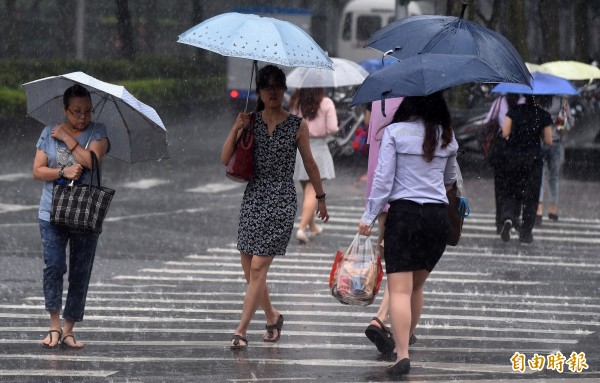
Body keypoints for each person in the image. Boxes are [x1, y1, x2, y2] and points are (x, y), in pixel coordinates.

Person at [221, 65, 330, 350]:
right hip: (254, 194)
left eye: (277, 86)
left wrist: (320, 197)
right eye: (267, 86)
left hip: (281, 197)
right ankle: (272, 316)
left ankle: (241, 330)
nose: (273, 91)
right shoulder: (250, 121)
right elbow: (224, 159)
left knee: (258, 267)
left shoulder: (297, 125)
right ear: (259, 91)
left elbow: (310, 163)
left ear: (284, 90)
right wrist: (237, 126)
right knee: (249, 267)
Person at [358, 92, 458, 377]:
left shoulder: (394, 132)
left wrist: (368, 216)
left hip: (405, 216)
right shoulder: (447, 136)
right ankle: (406, 341)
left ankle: (402, 354)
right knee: (415, 287)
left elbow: (383, 179)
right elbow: (449, 180)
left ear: (408, 104)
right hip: (438, 220)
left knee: (399, 289)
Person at [33, 84, 110, 349]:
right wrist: (62, 173)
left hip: (85, 212)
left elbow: (92, 161)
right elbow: (37, 171)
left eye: (87, 111)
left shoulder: (98, 132)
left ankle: (68, 329)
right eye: (76, 111)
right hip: (50, 211)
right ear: (65, 110)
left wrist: (67, 139)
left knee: (80, 271)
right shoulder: (47, 133)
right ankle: (54, 325)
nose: (82, 117)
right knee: (54, 266)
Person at [361, 98, 412, 357]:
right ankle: (383, 319)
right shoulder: (414, 102)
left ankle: (399, 323)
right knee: (405, 269)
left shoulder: (378, 99)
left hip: (381, 195)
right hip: (406, 197)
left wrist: (370, 211)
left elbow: (375, 155)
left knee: (395, 261)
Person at [499, 95, 553, 243]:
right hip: (533, 161)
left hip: (513, 159)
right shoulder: (543, 115)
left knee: (511, 192)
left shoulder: (514, 110)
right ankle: (526, 232)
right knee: (531, 197)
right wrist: (538, 132)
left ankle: (509, 217)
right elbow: (548, 140)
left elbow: (505, 132)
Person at [289, 87, 338, 243]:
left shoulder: (296, 102)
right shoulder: (326, 103)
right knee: (312, 192)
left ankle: (313, 227)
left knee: (307, 191)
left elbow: (291, 125)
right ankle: (302, 229)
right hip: (318, 149)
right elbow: (332, 128)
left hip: (299, 149)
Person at [483, 94, 522, 233]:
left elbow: (488, 121)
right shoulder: (525, 101)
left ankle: (500, 220)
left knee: (500, 187)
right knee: (517, 186)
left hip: (501, 150)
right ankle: (514, 216)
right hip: (518, 150)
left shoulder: (499, 102)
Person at [536, 96, 573, 225]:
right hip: (556, 142)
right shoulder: (562, 101)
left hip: (539, 142)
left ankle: (538, 209)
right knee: (554, 177)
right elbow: (567, 124)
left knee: (539, 176)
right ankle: (553, 208)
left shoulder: (538, 99)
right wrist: (558, 121)